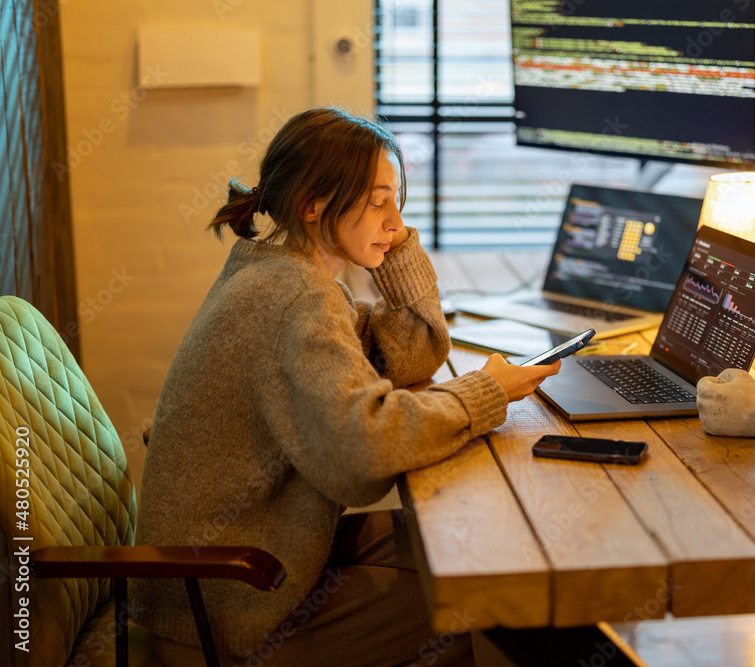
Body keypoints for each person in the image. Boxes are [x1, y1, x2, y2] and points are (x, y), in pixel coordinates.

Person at [131, 107, 560, 667]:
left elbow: (411, 351)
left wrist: (396, 248)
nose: (395, 218)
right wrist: (487, 394)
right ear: (314, 205)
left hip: (232, 572)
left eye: (396, 200)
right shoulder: (293, 297)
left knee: (452, 549)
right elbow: (367, 451)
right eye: (378, 201)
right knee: (460, 599)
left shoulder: (279, 272)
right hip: (220, 616)